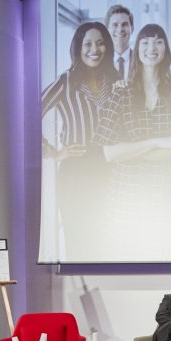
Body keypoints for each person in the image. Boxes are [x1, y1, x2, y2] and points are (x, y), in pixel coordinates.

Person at [96, 23, 171, 253]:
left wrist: (131, 151)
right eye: (145, 42)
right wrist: (159, 142)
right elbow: (109, 152)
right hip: (126, 198)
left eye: (158, 41)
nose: (151, 47)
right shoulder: (121, 91)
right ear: (137, 48)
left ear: (166, 48)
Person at [40, 22, 119, 260]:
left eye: (100, 43)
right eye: (87, 44)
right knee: (79, 237)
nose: (94, 49)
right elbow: (28, 114)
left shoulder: (115, 80)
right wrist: (53, 152)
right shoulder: (66, 81)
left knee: (109, 236)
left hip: (112, 167)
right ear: (78, 48)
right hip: (76, 172)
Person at [105, 4, 134, 80]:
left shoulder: (140, 60)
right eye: (115, 25)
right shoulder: (101, 61)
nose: (120, 29)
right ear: (107, 29)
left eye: (124, 24)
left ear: (132, 28)